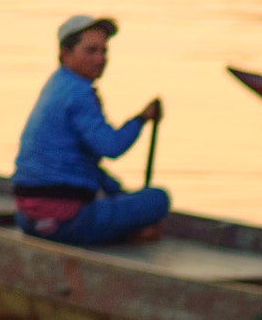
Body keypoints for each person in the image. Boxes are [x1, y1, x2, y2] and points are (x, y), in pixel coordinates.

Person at [12, 16, 168, 245]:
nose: (100, 59)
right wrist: (142, 119)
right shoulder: (79, 93)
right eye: (90, 51)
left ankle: (123, 227)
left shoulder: (56, 83)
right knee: (159, 199)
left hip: (27, 217)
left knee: (112, 186)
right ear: (66, 54)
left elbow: (90, 162)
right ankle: (127, 233)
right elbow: (111, 147)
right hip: (63, 220)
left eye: (104, 51)